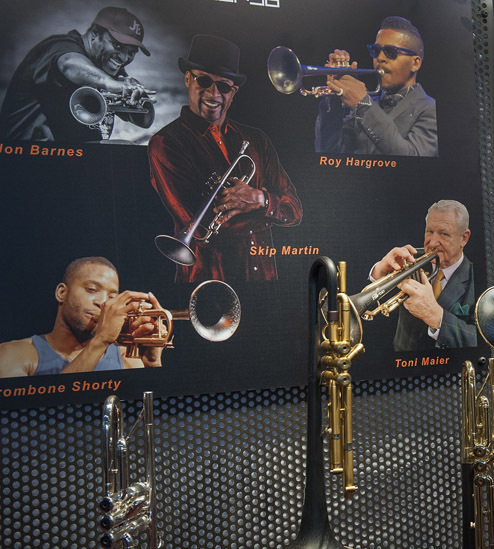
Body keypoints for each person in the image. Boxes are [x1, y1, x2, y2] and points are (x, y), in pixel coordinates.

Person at [149, 34, 303, 282]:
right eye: (204, 80)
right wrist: (266, 208)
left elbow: (294, 210)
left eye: (223, 86)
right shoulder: (166, 143)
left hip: (264, 281)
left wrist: (259, 199)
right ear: (187, 79)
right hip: (207, 280)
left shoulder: (256, 139)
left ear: (234, 92)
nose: (213, 94)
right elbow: (202, 231)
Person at [0, 6, 154, 142]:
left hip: (73, 157)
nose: (124, 58)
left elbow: (145, 121)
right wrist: (111, 84)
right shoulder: (60, 46)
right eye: (117, 46)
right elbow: (69, 64)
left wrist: (137, 96)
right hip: (26, 154)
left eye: (131, 53)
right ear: (95, 33)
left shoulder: (107, 67)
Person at [0, 257, 164, 378]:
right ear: (62, 293)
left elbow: (155, 412)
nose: (103, 303)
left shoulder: (127, 359)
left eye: (112, 297)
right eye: (92, 289)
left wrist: (153, 364)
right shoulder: (14, 354)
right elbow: (49, 410)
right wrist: (101, 339)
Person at [314, 16, 438, 157]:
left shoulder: (430, 109)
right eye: (375, 50)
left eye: (390, 52)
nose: (380, 58)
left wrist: (364, 105)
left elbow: (414, 158)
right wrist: (334, 94)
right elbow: (327, 151)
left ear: (415, 63)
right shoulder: (368, 103)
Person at [371, 200, 475, 351]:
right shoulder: (409, 261)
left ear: (464, 238)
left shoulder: (477, 276)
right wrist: (380, 271)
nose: (432, 243)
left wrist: (436, 316)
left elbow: (483, 341)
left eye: (444, 234)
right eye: (429, 232)